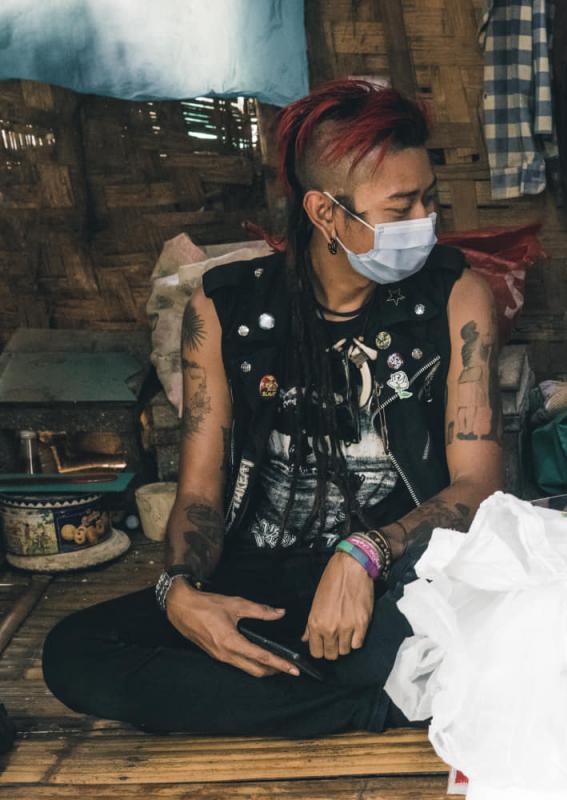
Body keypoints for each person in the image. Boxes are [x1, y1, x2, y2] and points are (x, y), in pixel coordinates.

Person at [42, 80, 504, 736]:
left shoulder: (456, 296)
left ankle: (291, 694)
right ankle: (380, 706)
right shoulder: (224, 308)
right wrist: (179, 591)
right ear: (325, 213)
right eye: (402, 207)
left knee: (435, 635)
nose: (426, 222)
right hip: (259, 580)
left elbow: (478, 484)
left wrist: (368, 549)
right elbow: (200, 492)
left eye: (429, 199)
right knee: (74, 655)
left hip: (391, 583)